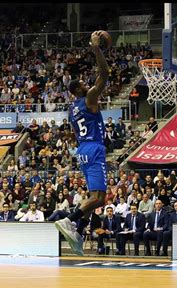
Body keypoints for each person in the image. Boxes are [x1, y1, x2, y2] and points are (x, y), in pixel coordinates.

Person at [54, 31, 110, 256]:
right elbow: (104, 75)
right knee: (99, 198)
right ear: (78, 90)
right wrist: (96, 48)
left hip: (83, 150)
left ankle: (78, 229)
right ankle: (70, 220)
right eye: (85, 85)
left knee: (92, 198)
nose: (89, 85)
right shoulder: (89, 99)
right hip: (94, 147)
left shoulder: (72, 109)